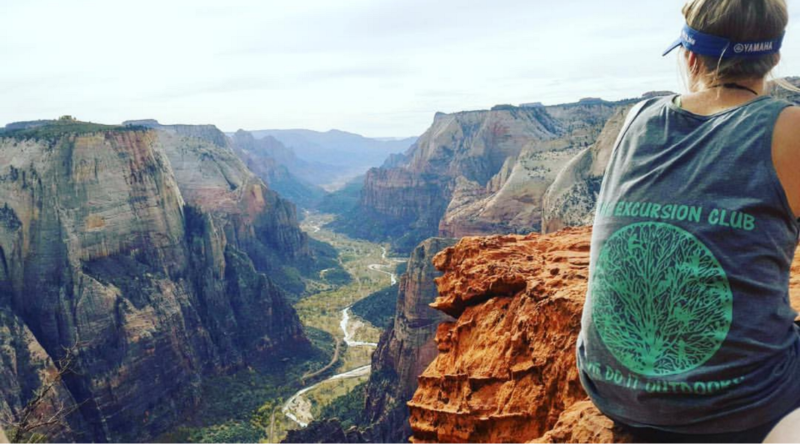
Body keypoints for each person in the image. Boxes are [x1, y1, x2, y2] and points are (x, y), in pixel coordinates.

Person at [576, 0, 800, 442]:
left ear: (691, 56)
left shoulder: (636, 118)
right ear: (774, 58)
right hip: (737, 405)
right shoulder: (788, 126)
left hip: (609, 386)